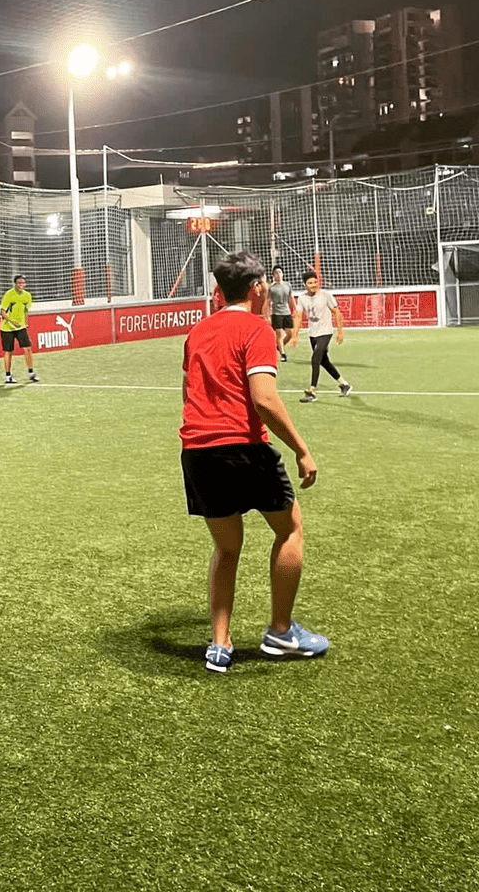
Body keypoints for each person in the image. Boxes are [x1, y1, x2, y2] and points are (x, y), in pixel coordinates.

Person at [180, 251, 329, 674]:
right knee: (290, 529)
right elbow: (263, 398)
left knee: (226, 547)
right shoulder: (256, 328)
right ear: (257, 288)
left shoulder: (197, 332)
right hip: (242, 448)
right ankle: (280, 632)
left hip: (196, 451)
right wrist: (302, 447)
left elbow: (187, 392)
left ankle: (220, 644)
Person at [288, 270, 352, 403]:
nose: (313, 285)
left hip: (326, 332)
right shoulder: (302, 298)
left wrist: (340, 331)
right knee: (324, 361)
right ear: (304, 284)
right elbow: (299, 317)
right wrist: (295, 335)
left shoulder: (325, 295)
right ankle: (344, 384)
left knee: (315, 358)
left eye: (315, 282)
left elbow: (336, 312)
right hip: (313, 333)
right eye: (310, 283)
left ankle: (312, 391)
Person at [0, 275, 39, 384]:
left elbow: (26, 311)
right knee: (8, 351)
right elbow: (2, 312)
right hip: (7, 328)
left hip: (21, 327)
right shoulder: (9, 294)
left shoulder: (27, 296)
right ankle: (8, 375)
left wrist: (25, 323)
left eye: (22, 283)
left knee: (27, 348)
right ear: (15, 284)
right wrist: (13, 321)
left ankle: (31, 372)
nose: (21, 285)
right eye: (18, 283)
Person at [267, 266, 295, 362]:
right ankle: (283, 353)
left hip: (286, 312)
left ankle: (278, 346)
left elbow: (291, 299)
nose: (278, 274)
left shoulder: (288, 285)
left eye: (280, 272)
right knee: (279, 333)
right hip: (276, 313)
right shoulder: (271, 287)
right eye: (276, 273)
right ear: (273, 275)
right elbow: (268, 301)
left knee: (290, 334)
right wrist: (267, 314)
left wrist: (294, 309)